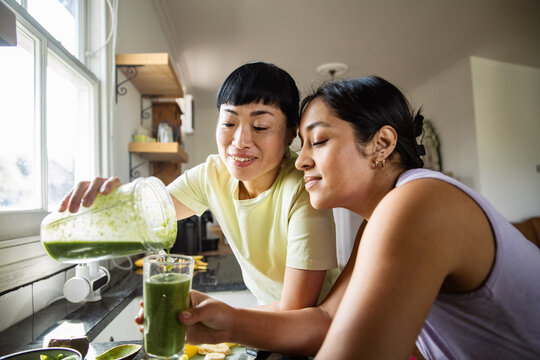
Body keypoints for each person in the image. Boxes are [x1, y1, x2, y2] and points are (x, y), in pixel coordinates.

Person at [177, 76, 540, 359]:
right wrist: (226, 322)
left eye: (317, 141)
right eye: (300, 144)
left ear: (381, 144)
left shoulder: (417, 204)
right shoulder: (379, 220)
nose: (301, 160)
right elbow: (328, 321)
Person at [59, 62, 340, 310]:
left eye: (261, 127)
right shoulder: (212, 175)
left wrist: (219, 318)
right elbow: (147, 216)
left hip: (324, 328)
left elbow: (298, 311)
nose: (240, 141)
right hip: (270, 314)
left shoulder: (302, 188)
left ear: (291, 133)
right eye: (229, 122)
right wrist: (102, 204)